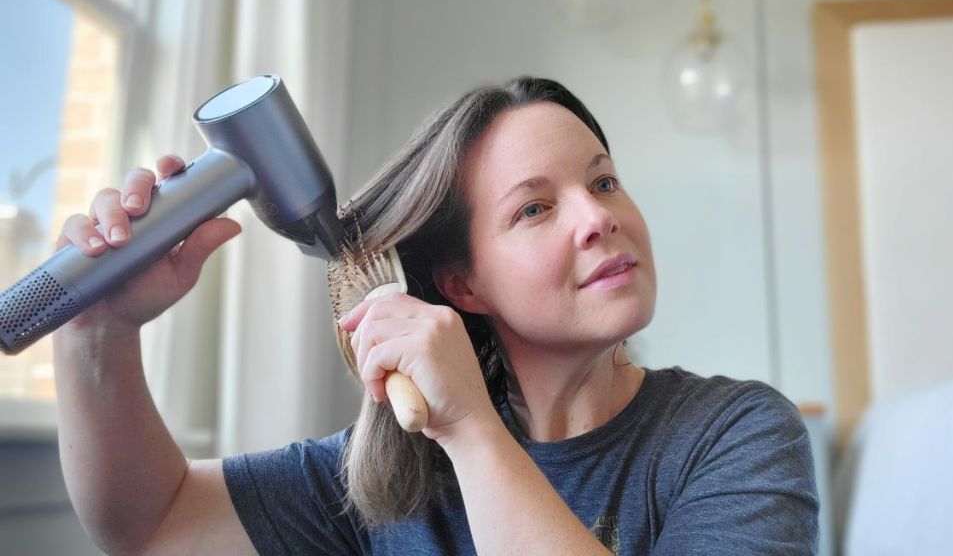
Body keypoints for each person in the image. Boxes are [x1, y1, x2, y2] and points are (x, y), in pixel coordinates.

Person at [53, 76, 819, 555]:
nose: (598, 217)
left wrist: (475, 434)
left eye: (605, 181)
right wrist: (98, 333)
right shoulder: (397, 479)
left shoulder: (737, 434)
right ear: (462, 284)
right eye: (536, 208)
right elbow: (150, 523)